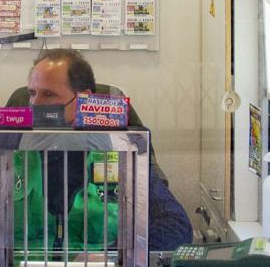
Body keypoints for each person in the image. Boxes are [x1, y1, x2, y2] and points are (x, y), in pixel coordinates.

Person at [11, 48, 194, 251]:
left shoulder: (119, 148)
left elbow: (174, 228)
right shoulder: (12, 147)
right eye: (32, 93)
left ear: (83, 98)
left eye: (48, 94)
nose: (35, 104)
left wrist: (110, 254)